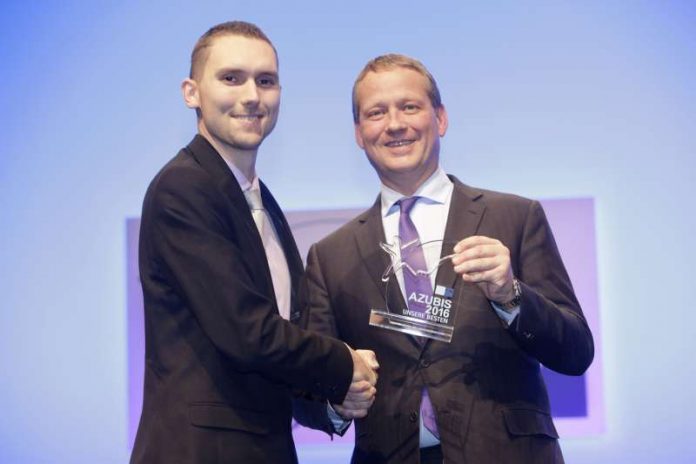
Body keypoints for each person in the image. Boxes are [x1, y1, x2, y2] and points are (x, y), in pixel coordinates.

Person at [295, 54, 594, 463]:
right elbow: (306, 394)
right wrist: (336, 401)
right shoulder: (329, 257)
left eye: (410, 107)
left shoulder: (514, 217)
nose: (395, 123)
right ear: (359, 134)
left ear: (441, 119)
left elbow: (576, 352)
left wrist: (510, 295)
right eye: (376, 113)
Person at [130, 21, 377, 464]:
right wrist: (343, 364)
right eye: (231, 78)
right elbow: (250, 334)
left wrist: (330, 404)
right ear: (192, 92)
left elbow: (281, 341)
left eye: (266, 81)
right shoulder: (183, 189)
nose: (251, 95)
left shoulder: (262, 202)